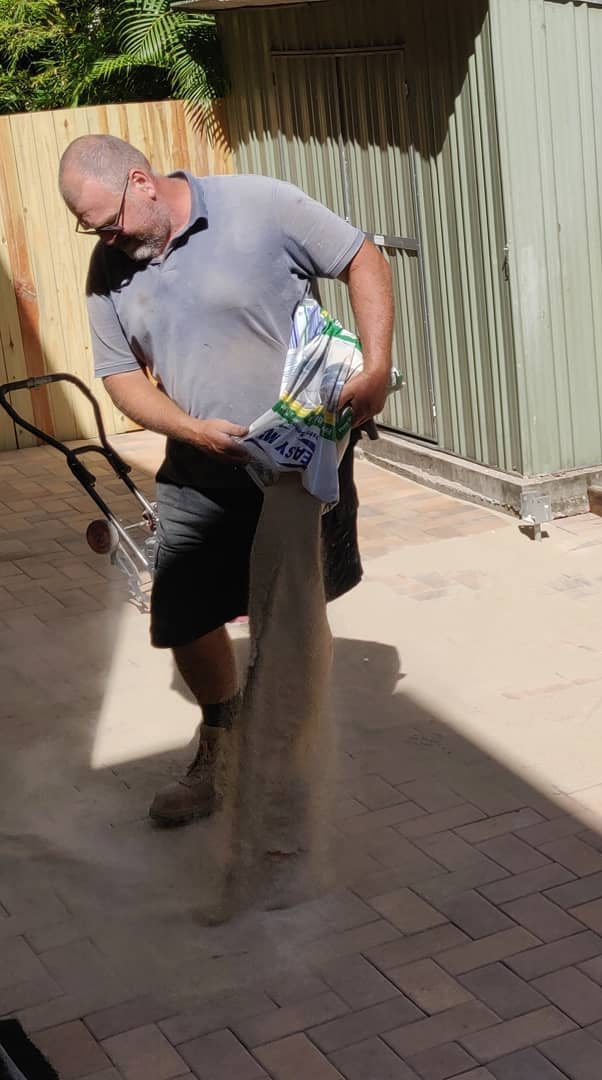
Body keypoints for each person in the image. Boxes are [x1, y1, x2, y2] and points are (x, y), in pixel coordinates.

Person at [58, 134, 394, 827]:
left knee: (292, 613)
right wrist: (190, 430)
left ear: (143, 182)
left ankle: (285, 759)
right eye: (93, 230)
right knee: (182, 611)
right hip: (200, 461)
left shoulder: (258, 204)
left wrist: (377, 366)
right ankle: (222, 741)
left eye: (111, 222)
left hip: (303, 461)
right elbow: (121, 378)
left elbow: (362, 257)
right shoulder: (108, 269)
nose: (108, 240)